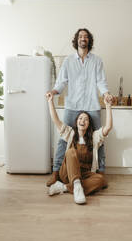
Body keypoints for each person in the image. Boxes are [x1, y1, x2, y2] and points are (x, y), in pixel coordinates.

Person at [46, 28, 114, 187]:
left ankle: (100, 171)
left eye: (86, 36)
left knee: (99, 140)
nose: (83, 38)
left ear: (89, 40)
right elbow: (61, 82)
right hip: (72, 106)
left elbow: (101, 82)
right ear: (76, 40)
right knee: (63, 140)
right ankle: (56, 172)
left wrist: (106, 94)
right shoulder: (69, 61)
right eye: (80, 36)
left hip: (92, 106)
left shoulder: (97, 61)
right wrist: (54, 92)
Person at [46, 92, 113, 204]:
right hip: (67, 173)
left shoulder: (94, 137)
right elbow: (55, 120)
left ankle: (65, 188)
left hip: (84, 174)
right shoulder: (70, 133)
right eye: (80, 118)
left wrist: (108, 106)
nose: (82, 120)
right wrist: (50, 101)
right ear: (76, 122)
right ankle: (76, 186)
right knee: (71, 152)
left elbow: (108, 127)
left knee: (101, 180)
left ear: (88, 124)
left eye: (85, 119)